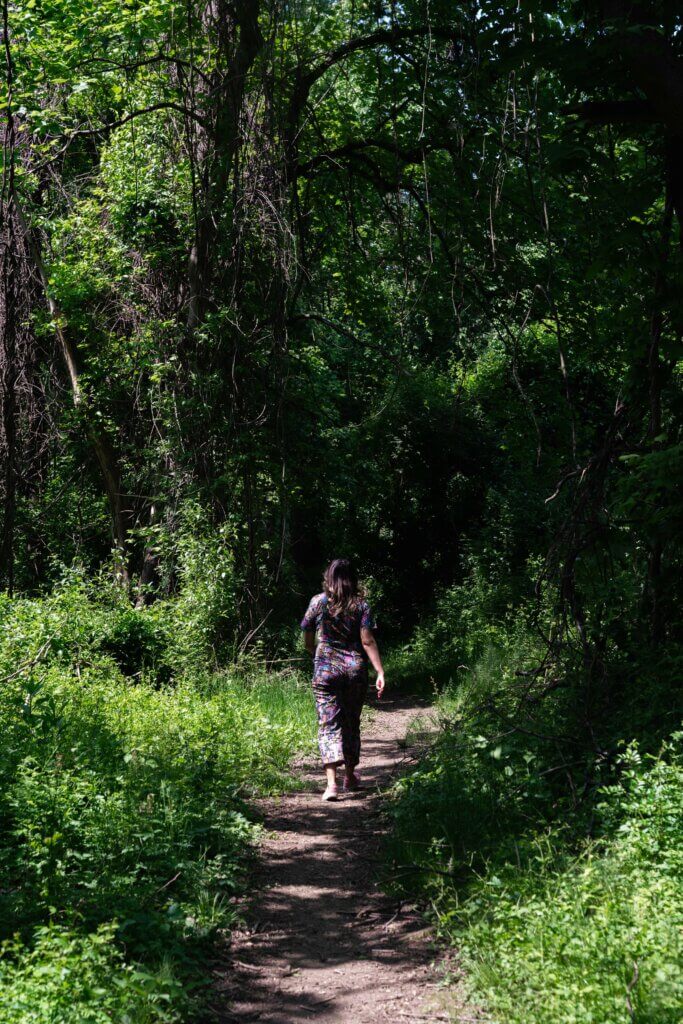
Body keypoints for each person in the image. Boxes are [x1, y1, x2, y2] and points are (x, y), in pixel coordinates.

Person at [300, 558, 386, 801]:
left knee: (328, 724)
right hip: (354, 671)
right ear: (352, 579)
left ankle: (331, 786)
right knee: (350, 722)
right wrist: (379, 671)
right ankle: (349, 776)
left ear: (328, 577)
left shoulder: (318, 602)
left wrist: (315, 653)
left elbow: (306, 634)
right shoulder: (362, 606)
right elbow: (367, 641)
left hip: (325, 670)